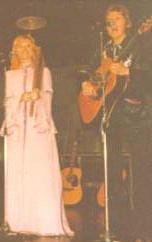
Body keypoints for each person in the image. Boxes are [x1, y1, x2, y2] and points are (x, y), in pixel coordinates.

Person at [81, 4, 152, 241]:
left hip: (137, 118)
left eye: (117, 19)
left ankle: (143, 229)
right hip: (110, 118)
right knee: (111, 174)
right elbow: (92, 75)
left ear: (128, 23)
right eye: (108, 19)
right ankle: (118, 228)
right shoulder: (103, 49)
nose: (112, 23)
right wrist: (87, 85)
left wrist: (129, 73)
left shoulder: (141, 45)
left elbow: (148, 77)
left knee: (139, 174)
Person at [0, 34, 73, 236]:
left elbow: (47, 100)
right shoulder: (10, 75)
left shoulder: (44, 72)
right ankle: (17, 222)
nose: (23, 50)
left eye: (27, 46)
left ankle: (45, 222)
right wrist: (19, 102)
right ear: (14, 50)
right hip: (18, 131)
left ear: (34, 50)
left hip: (37, 129)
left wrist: (37, 97)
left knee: (39, 172)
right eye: (19, 47)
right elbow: (8, 104)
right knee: (19, 172)